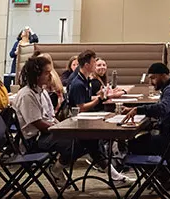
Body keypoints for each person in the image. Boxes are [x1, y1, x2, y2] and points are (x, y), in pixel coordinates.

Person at [14, 55, 131, 185]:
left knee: (90, 139)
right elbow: (38, 124)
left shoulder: (41, 91)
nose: (50, 76)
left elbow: (50, 117)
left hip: (48, 132)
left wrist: (61, 127)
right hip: (34, 140)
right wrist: (63, 129)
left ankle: (113, 174)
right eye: (46, 73)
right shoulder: (27, 95)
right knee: (78, 143)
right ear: (36, 74)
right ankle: (56, 170)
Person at [122, 63, 170, 156]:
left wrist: (138, 110)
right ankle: (164, 167)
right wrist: (133, 109)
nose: (151, 82)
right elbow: (159, 106)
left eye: (153, 78)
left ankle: (155, 169)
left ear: (163, 76)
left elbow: (162, 109)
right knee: (139, 140)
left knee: (131, 145)